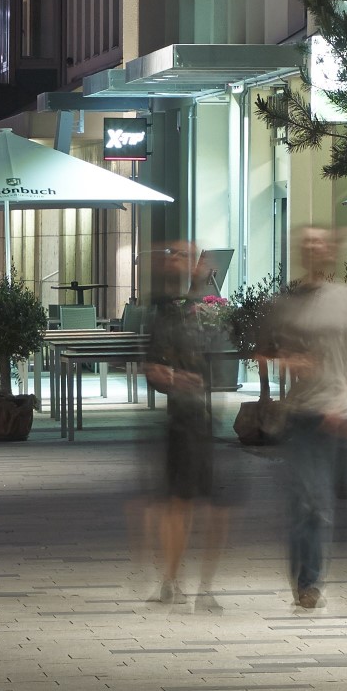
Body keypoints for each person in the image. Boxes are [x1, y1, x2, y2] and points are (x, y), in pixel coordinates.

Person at [265, 224, 347, 611]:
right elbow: (262, 352)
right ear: (302, 252)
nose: (315, 248)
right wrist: (289, 360)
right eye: (308, 243)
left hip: (345, 416)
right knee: (312, 504)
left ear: (330, 251)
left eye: (321, 242)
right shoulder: (287, 302)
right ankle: (308, 581)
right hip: (305, 416)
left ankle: (345, 583)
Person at [135, 239, 231, 607]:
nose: (181, 262)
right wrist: (176, 379)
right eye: (176, 256)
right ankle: (173, 580)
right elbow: (152, 368)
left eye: (188, 257)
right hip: (181, 420)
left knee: (211, 506)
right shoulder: (166, 311)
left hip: (209, 420)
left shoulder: (211, 311)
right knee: (180, 503)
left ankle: (203, 587)